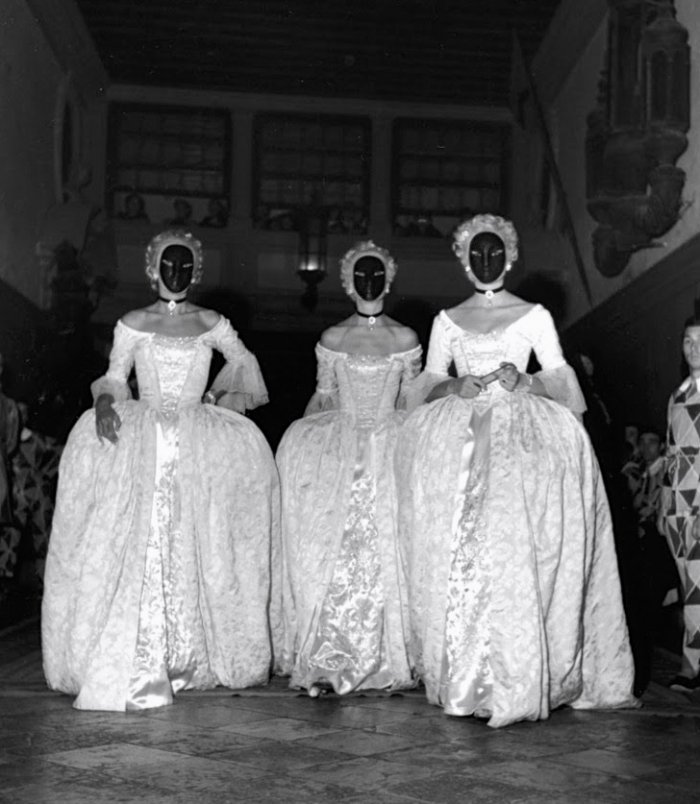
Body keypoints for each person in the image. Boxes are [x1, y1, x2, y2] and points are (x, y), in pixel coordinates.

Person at [397, 214, 636, 728]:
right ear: (464, 261)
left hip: (522, 442)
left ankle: (519, 673)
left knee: (517, 551)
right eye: (477, 253)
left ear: (509, 256)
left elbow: (563, 384)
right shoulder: (447, 320)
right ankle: (467, 675)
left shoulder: (533, 315)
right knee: (461, 552)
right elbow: (425, 384)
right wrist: (454, 386)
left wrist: (524, 382)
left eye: (495, 252)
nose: (486, 260)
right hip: (459, 440)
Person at [42, 229, 280, 711]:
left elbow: (244, 365)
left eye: (185, 265)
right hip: (144, 434)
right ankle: (136, 644)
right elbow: (114, 377)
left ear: (196, 271)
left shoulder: (211, 323)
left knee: (195, 535)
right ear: (153, 269)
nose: (177, 272)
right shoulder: (133, 323)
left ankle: (189, 653)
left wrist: (213, 397)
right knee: (137, 534)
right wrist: (105, 403)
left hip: (196, 438)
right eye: (168, 265)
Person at [275, 241, 420, 695]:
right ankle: (329, 654)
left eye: (377, 274)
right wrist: (310, 456)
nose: (369, 282)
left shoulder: (405, 338)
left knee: (386, 549)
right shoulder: (333, 338)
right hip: (342, 447)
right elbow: (323, 399)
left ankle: (388, 655)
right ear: (348, 282)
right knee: (333, 550)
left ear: (388, 280)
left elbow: (412, 400)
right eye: (361, 275)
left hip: (390, 445)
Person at [658, 314, 700, 692]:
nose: (694, 348)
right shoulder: (678, 395)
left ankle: (691, 668)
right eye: (688, 341)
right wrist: (663, 504)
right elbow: (672, 454)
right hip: (677, 508)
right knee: (690, 588)